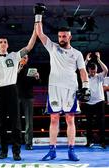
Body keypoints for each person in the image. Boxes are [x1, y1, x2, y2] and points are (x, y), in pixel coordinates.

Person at [33, 3, 90, 161]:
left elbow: (82, 71)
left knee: (70, 118)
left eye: (64, 36)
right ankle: (52, 150)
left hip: (71, 88)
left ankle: (71, 150)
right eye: (60, 36)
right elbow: (39, 33)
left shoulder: (77, 54)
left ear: (70, 37)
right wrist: (38, 15)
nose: (62, 38)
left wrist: (85, 86)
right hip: (54, 88)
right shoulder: (52, 47)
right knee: (53, 118)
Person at [0, 30, 37, 161]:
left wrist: (36, 32)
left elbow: (29, 47)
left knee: (16, 123)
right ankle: (3, 151)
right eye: (0, 42)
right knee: (1, 123)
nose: (3, 44)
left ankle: (16, 152)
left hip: (12, 90)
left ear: (7, 45)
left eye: (5, 42)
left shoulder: (14, 56)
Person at [82, 52, 108, 148]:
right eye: (91, 71)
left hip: (99, 102)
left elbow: (106, 70)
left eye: (94, 71)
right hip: (88, 102)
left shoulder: (99, 76)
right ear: (89, 70)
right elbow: (81, 70)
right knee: (88, 123)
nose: (93, 73)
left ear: (96, 70)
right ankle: (89, 141)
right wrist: (86, 60)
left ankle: (102, 142)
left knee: (101, 123)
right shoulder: (85, 77)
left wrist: (99, 60)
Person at [17, 55, 40, 150]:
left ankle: (28, 143)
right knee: (16, 121)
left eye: (26, 58)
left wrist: (37, 77)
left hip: (28, 97)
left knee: (29, 122)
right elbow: (10, 81)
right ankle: (16, 142)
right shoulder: (13, 68)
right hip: (16, 96)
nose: (24, 59)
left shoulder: (31, 70)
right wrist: (18, 70)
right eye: (22, 57)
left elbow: (37, 83)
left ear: (28, 59)